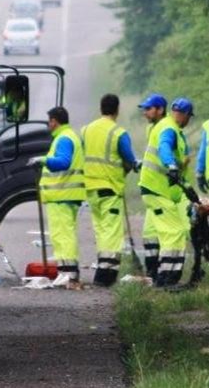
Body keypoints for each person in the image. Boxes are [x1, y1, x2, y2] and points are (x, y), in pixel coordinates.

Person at [81, 94, 138, 286]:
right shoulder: (118, 133)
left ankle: (102, 268)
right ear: (117, 110)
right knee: (112, 231)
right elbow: (130, 160)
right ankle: (106, 275)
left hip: (90, 188)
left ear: (101, 108)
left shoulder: (86, 130)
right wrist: (126, 170)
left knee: (101, 229)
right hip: (110, 187)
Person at [27, 107, 85, 289]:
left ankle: (69, 273)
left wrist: (43, 160)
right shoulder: (67, 136)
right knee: (62, 235)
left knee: (64, 235)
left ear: (55, 121)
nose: (48, 124)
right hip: (63, 195)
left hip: (63, 195)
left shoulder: (64, 138)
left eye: (50, 121)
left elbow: (63, 162)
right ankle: (65, 271)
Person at [138, 97, 194, 286]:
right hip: (156, 189)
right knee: (175, 231)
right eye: (189, 117)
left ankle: (157, 275)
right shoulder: (169, 129)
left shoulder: (167, 126)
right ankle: (168, 278)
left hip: (153, 189)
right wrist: (171, 165)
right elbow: (164, 147)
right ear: (185, 115)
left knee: (159, 231)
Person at [136, 93, 168, 280]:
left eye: (148, 109)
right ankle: (152, 272)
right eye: (145, 109)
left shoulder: (166, 129)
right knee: (149, 232)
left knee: (166, 232)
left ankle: (165, 272)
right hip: (152, 188)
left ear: (160, 110)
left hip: (163, 189)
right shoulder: (152, 129)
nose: (145, 113)